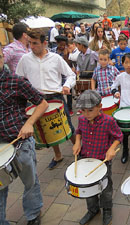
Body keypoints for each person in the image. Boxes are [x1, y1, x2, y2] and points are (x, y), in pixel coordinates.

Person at [0, 43, 49, 225]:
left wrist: (29, 123)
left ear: (3, 57)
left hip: (21, 141)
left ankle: (33, 214)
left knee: (29, 181)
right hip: (0, 144)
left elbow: (42, 103)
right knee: (0, 185)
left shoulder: (16, 81)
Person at [15, 28, 76, 170]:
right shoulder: (25, 59)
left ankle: (80, 149)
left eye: (35, 43)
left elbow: (71, 75)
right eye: (30, 43)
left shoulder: (56, 58)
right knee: (48, 129)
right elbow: (19, 79)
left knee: (67, 125)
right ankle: (58, 155)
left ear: (44, 43)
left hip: (55, 97)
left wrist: (67, 86)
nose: (32, 46)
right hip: (36, 99)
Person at [73, 90, 123, 225]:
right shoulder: (82, 119)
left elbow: (118, 136)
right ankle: (92, 209)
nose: (86, 114)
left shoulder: (109, 121)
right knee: (88, 187)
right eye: (83, 110)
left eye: (90, 110)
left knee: (105, 189)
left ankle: (107, 209)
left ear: (100, 107)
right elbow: (78, 132)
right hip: (86, 159)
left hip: (102, 161)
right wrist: (78, 142)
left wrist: (112, 148)